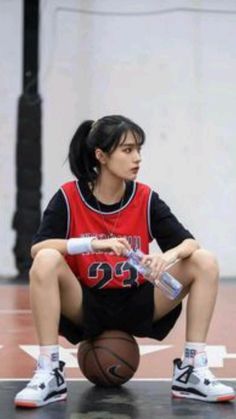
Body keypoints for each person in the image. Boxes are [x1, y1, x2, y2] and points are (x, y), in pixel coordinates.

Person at [15, 115, 235, 408]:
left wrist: (166, 257)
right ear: (101, 156)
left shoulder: (144, 197)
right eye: (128, 150)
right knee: (45, 260)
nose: (137, 158)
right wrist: (93, 243)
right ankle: (48, 371)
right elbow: (38, 248)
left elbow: (189, 242)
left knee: (204, 261)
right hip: (86, 304)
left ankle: (191, 371)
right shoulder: (69, 196)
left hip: (138, 302)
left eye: (138, 150)